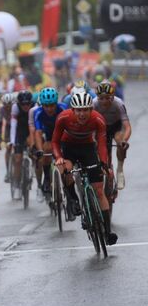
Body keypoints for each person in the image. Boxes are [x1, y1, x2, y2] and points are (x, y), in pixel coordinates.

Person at [52, 92, 118, 245]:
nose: (82, 114)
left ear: (90, 109)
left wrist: (103, 163)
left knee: (99, 190)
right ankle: (73, 199)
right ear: (73, 110)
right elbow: (55, 141)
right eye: (78, 110)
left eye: (85, 110)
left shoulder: (98, 119)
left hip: (88, 148)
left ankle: (107, 232)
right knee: (65, 169)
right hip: (69, 148)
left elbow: (101, 143)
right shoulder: (63, 118)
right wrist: (58, 157)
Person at [93, 80, 131, 189]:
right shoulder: (93, 103)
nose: (104, 101)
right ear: (97, 97)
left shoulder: (119, 104)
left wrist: (124, 141)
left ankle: (119, 170)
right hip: (100, 127)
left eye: (107, 98)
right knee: (95, 143)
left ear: (113, 96)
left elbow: (127, 127)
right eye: (101, 98)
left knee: (120, 140)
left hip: (115, 126)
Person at [34, 87, 67, 195]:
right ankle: (47, 177)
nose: (49, 109)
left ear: (56, 103)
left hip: (64, 134)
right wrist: (39, 150)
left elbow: (70, 126)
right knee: (46, 149)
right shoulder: (38, 112)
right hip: (49, 136)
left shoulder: (63, 108)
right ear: (42, 105)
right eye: (46, 106)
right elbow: (38, 133)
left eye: (52, 105)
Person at [9, 90, 34, 200]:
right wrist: (12, 142)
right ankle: (17, 183)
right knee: (18, 159)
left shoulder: (34, 107)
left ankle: (33, 172)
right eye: (23, 104)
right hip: (19, 132)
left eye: (27, 103)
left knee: (35, 153)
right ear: (19, 104)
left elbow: (36, 125)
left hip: (30, 131)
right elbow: (13, 126)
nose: (25, 106)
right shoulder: (15, 107)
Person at [0, 93, 14, 183]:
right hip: (8, 128)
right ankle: (8, 171)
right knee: (8, 148)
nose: (8, 107)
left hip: (17, 126)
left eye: (9, 105)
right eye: (5, 105)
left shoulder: (16, 107)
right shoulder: (1, 110)